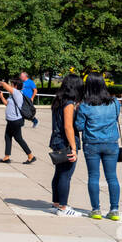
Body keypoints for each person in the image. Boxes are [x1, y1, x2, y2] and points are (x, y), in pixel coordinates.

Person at [76, 74, 122, 221]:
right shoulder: (115, 102)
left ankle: (96, 209)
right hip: (111, 143)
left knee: (93, 176)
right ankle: (114, 210)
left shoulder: (84, 105)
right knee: (112, 177)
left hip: (92, 144)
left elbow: (79, 126)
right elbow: (115, 119)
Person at [49, 73, 84, 217]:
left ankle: (56, 203)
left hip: (57, 140)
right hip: (65, 142)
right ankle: (63, 207)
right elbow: (68, 127)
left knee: (58, 173)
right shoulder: (68, 103)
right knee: (66, 175)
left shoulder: (58, 100)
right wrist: (73, 148)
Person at [0, 79, 35, 164]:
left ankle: (30, 156)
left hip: (15, 120)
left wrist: (2, 83)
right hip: (11, 120)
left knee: (18, 138)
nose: (10, 86)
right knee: (8, 137)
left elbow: (6, 86)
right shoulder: (12, 95)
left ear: (16, 86)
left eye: (12, 84)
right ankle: (6, 157)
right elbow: (7, 104)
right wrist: (1, 96)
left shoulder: (17, 93)